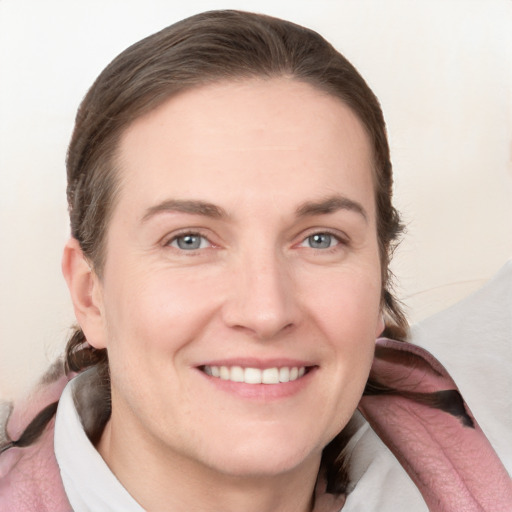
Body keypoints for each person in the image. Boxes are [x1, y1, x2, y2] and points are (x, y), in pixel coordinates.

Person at [0, 10, 510, 512]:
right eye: (190, 241)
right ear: (91, 295)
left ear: (380, 277)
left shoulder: (489, 439)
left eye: (320, 240)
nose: (266, 312)